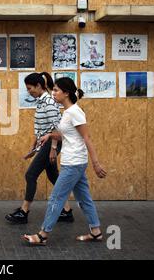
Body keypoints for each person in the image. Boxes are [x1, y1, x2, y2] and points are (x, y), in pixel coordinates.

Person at [22, 77, 107, 246]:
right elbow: (66, 134)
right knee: (84, 199)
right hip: (72, 161)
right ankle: (96, 232)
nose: (53, 93)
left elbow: (86, 138)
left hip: (74, 162)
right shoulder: (67, 112)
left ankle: (43, 235)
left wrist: (96, 163)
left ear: (66, 93)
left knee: (56, 198)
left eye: (56, 90)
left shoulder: (75, 112)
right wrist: (50, 135)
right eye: (52, 90)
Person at [5, 72, 73, 224]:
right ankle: (67, 211)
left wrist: (53, 149)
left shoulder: (48, 101)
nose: (29, 91)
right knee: (53, 176)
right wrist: (33, 147)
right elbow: (41, 127)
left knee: (30, 175)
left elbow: (57, 127)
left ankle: (24, 211)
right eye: (27, 89)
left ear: (38, 86)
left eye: (30, 88)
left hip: (52, 143)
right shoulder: (42, 101)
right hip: (46, 143)